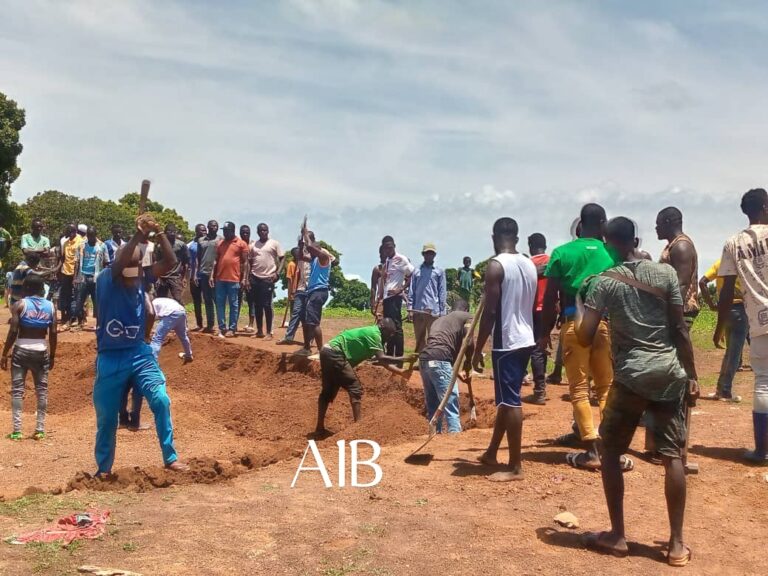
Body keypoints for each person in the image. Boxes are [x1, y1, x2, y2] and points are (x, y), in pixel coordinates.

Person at [577, 216, 697, 566]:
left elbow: (585, 337)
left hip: (630, 377)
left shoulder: (604, 283)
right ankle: (675, 545)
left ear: (606, 242)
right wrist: (692, 377)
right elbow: (679, 328)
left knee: (611, 450)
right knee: (673, 456)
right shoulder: (665, 275)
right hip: (669, 373)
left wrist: (581, 303)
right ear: (637, 239)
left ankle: (617, 536)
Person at [92, 213, 187, 475]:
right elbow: (123, 258)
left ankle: (170, 458)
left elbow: (170, 261)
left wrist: (157, 233)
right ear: (119, 268)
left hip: (139, 352)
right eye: (129, 274)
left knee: (161, 399)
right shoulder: (106, 280)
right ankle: (103, 470)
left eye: (137, 273)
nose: (135, 280)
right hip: (110, 356)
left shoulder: (141, 277)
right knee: (108, 418)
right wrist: (138, 233)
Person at [539, 204, 617, 470]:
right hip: (603, 325)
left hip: (575, 324)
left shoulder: (562, 253)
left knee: (579, 390)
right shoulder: (612, 253)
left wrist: (543, 333)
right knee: (606, 387)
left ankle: (592, 451)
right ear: (603, 224)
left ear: (580, 225)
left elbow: (550, 299)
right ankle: (611, 448)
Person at [471, 217, 537, 482]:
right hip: (526, 337)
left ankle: (515, 466)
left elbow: (491, 312)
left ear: (493, 237)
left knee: (511, 402)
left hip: (507, 341)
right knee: (505, 400)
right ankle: (491, 453)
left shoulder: (496, 267)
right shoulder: (529, 264)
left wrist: (477, 349)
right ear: (517, 239)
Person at [715, 188, 768, 464]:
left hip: (760, 321)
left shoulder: (733, 243)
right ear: (764, 206)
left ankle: (762, 450)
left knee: (763, 383)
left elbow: (724, 292)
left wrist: (719, 326)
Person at [314, 318, 411, 437]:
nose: (389, 337)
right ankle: (358, 429)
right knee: (355, 388)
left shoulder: (374, 333)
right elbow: (382, 358)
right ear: (382, 328)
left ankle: (319, 428)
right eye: (388, 333)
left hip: (327, 352)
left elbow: (384, 363)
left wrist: (401, 372)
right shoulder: (375, 334)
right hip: (335, 354)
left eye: (391, 335)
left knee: (327, 392)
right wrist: (403, 359)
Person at [2, 274, 57, 441]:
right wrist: (52, 355)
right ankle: (40, 429)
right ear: (42, 289)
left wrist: (4, 353)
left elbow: (13, 332)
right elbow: (53, 333)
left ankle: (17, 431)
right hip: (41, 349)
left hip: (21, 350)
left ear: (26, 289)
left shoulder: (20, 305)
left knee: (18, 391)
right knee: (41, 391)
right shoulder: (51, 307)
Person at [419, 300, 473, 434]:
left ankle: (434, 436)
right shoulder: (467, 316)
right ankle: (455, 434)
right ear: (466, 309)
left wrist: (455, 371)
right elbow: (469, 341)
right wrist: (469, 361)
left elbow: (439, 345)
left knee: (433, 403)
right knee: (450, 400)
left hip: (424, 361)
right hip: (440, 360)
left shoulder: (438, 320)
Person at [700, 259, 746, 403]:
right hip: (740, 309)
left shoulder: (720, 263)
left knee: (729, 353)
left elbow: (702, 282)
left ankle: (721, 390)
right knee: (734, 354)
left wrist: (711, 305)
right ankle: (725, 391)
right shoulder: (743, 265)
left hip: (724, 310)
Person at [657, 207, 699, 327]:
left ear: (668, 222)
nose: (656, 228)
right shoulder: (673, 245)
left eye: (658, 224)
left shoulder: (681, 246)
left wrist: (672, 315)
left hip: (681, 311)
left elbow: (682, 284)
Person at [297, 231, 333, 355]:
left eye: (313, 250)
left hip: (319, 291)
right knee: (306, 320)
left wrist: (306, 239)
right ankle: (307, 348)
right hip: (312, 292)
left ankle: (320, 350)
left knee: (313, 321)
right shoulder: (313, 260)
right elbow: (300, 256)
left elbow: (311, 248)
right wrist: (301, 244)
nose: (311, 252)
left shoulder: (323, 257)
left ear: (318, 250)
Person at [247, 223, 285, 340]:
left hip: (268, 278)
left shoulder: (274, 244)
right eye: (261, 230)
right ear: (257, 232)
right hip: (255, 278)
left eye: (265, 230)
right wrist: (248, 277)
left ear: (268, 231)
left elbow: (282, 258)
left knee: (267, 306)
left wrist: (277, 273)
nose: (263, 232)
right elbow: (249, 261)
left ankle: (269, 332)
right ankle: (259, 331)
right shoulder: (253, 245)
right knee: (257, 305)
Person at [408, 243, 447, 353]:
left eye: (431, 253)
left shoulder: (439, 272)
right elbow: (411, 291)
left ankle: (432, 363)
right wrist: (410, 309)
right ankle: (421, 363)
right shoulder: (416, 271)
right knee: (420, 339)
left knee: (434, 339)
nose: (429, 255)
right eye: (427, 253)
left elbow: (442, 292)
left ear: (434, 255)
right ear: (423, 254)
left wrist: (442, 312)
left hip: (433, 312)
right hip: (418, 310)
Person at [212, 221, 248, 338]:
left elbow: (246, 262)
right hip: (220, 279)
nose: (225, 233)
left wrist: (245, 278)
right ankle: (222, 327)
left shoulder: (241, 244)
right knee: (220, 304)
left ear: (232, 231)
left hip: (234, 279)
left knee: (234, 304)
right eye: (224, 231)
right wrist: (211, 275)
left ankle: (232, 328)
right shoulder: (220, 243)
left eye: (227, 231)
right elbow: (216, 260)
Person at [380, 237, 414, 359]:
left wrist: (401, 289)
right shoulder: (388, 261)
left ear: (394, 246)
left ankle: (399, 356)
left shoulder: (401, 259)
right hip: (387, 298)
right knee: (388, 326)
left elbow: (412, 275)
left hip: (395, 298)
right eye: (386, 248)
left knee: (397, 326)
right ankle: (390, 354)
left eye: (390, 247)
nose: (388, 250)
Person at [527, 233, 550, 405]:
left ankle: (539, 390)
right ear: (546, 245)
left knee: (535, 349)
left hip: (533, 310)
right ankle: (541, 388)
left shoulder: (528, 264)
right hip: (550, 311)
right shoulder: (552, 261)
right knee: (542, 346)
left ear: (530, 246)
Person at [72, 226, 108, 330]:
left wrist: (104, 278)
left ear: (96, 235)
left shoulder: (102, 246)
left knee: (97, 301)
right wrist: (75, 277)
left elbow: (106, 262)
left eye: (93, 235)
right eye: (89, 235)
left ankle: (99, 324)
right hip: (83, 276)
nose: (91, 237)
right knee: (79, 300)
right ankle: (80, 322)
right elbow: (77, 262)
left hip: (96, 277)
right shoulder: (81, 246)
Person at [278, 247, 312, 345]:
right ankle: (289, 337)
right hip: (297, 291)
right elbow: (289, 280)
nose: (299, 254)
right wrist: (290, 293)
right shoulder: (292, 265)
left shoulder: (307, 263)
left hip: (308, 290)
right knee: (295, 313)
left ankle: (309, 339)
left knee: (306, 316)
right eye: (297, 253)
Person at [150, 297, 193, 363]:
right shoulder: (160, 300)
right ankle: (189, 355)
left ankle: (152, 363)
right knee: (183, 336)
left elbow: (152, 318)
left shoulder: (152, 304)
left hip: (171, 313)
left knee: (157, 339)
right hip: (181, 312)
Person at [154, 224, 189, 304]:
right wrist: (158, 277)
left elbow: (186, 263)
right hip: (162, 277)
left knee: (177, 299)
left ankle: (181, 315)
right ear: (165, 233)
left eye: (174, 232)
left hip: (175, 277)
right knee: (161, 300)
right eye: (169, 232)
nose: (172, 233)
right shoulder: (160, 246)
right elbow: (157, 262)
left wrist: (184, 278)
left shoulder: (181, 245)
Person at [196, 220, 219, 333]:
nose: (214, 228)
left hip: (216, 274)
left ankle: (221, 325)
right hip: (204, 273)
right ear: (208, 227)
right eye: (212, 226)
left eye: (216, 226)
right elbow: (198, 257)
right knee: (207, 299)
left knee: (217, 299)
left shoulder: (220, 240)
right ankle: (210, 325)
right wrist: (196, 272)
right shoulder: (201, 241)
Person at [59, 223, 83, 326]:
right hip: (66, 272)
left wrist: (75, 276)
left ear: (74, 231)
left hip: (76, 273)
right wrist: (57, 270)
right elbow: (63, 259)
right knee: (67, 295)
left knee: (77, 296)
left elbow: (79, 261)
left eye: (70, 232)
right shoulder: (65, 243)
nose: (68, 234)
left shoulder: (80, 242)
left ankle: (76, 318)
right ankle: (68, 317)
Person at [187, 223, 206, 331]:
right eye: (202, 230)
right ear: (196, 231)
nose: (204, 232)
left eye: (205, 230)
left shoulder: (208, 244)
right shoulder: (190, 245)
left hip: (206, 276)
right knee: (197, 301)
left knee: (209, 300)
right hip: (194, 277)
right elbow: (188, 262)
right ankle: (199, 324)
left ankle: (210, 324)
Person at [238, 225, 255, 331]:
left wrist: (248, 278)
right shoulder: (238, 244)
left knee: (251, 301)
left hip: (251, 276)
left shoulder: (253, 245)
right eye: (243, 232)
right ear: (240, 233)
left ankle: (251, 324)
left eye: (247, 232)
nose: (245, 234)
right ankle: (234, 323)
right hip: (238, 275)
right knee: (237, 300)